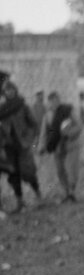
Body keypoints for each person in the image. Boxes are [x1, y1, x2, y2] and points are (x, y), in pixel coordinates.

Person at [0, 79, 42, 211]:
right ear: (4, 92)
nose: (9, 92)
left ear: (15, 90)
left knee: (28, 171)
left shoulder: (22, 106)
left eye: (11, 89)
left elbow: (34, 125)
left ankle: (38, 195)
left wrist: (29, 139)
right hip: (8, 146)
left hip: (23, 145)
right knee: (13, 174)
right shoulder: (2, 109)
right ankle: (20, 202)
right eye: (7, 90)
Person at [44, 91, 82, 203]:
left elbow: (79, 125)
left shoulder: (68, 110)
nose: (53, 103)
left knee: (71, 169)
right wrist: (42, 145)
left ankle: (72, 192)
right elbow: (45, 132)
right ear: (49, 103)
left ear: (59, 100)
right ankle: (66, 192)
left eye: (55, 100)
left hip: (71, 144)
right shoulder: (48, 115)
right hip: (57, 146)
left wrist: (69, 133)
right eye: (51, 101)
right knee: (60, 170)